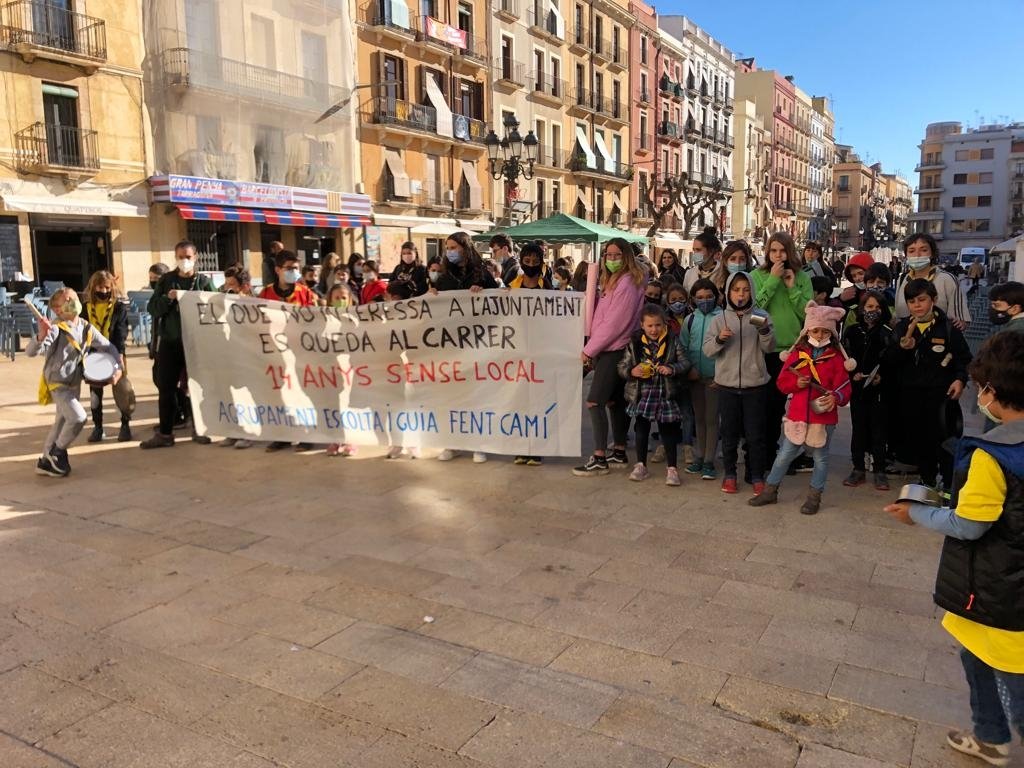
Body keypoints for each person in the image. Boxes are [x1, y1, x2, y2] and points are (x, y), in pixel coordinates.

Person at [883, 331, 1024, 768]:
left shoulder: (993, 454)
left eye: (983, 388)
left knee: (1013, 679)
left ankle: (999, 731)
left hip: (999, 588)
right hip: (1006, 587)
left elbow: (970, 524)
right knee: (975, 653)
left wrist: (917, 514)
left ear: (994, 393)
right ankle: (990, 736)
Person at [749, 301, 853, 514]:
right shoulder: (796, 355)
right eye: (815, 330)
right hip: (797, 415)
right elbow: (781, 382)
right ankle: (770, 491)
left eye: (825, 331)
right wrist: (795, 384)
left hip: (823, 418)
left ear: (832, 334)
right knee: (784, 454)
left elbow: (845, 387)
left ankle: (814, 497)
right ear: (807, 331)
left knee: (820, 458)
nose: (820, 334)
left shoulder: (836, 359)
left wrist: (836, 397)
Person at [574, 237, 647, 476]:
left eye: (617, 255)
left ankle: (599, 456)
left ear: (626, 256)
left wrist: (589, 350)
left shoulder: (625, 283)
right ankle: (618, 449)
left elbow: (613, 324)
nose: (612, 259)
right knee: (615, 402)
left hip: (613, 349)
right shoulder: (618, 281)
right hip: (617, 347)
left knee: (594, 401)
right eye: (608, 255)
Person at [890, 278, 971, 491]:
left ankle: (947, 484)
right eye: (912, 301)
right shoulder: (901, 328)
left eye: (922, 299)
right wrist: (901, 349)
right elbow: (889, 362)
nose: (917, 305)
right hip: (911, 394)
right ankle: (926, 479)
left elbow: (964, 358)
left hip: (941, 395)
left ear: (933, 300)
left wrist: (960, 379)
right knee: (919, 439)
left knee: (944, 440)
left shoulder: (948, 327)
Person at [31, 288, 121, 476]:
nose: (74, 301)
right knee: (78, 417)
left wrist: (117, 367)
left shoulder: (86, 327)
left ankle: (44, 461)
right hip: (57, 383)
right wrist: (41, 335)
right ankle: (58, 452)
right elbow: (32, 351)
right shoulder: (56, 328)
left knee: (62, 421)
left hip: (74, 382)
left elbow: (108, 346)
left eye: (74, 298)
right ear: (57, 309)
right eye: (68, 300)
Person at [703, 270, 776, 494]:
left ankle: (756, 475)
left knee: (755, 435)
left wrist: (764, 331)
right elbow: (707, 350)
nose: (741, 294)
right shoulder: (719, 319)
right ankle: (730, 474)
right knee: (729, 434)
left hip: (755, 385)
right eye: (736, 290)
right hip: (727, 386)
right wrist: (719, 339)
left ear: (752, 291)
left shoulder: (761, 315)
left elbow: (769, 347)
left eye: (745, 290)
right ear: (728, 293)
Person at [141, 241, 216, 449]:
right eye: (181, 257)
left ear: (196, 257)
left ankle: (199, 429)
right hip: (170, 342)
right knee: (166, 388)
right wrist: (167, 299)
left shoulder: (203, 282)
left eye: (188, 257)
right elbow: (152, 308)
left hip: (195, 344)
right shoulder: (166, 280)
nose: (185, 261)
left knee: (197, 388)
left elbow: (217, 308)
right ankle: (165, 433)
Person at [751, 232, 814, 474]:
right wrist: (772, 281)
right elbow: (754, 314)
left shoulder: (802, 277)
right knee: (761, 406)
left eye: (782, 251)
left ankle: (776, 453)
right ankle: (762, 454)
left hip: (790, 352)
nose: (778, 256)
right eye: (773, 251)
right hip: (764, 349)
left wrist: (790, 288)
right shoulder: (757, 276)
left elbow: (806, 315)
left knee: (779, 407)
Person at [435, 232, 496, 463]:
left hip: (477, 343)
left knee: (476, 395)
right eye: (447, 247)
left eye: (453, 247)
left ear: (465, 248)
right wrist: (431, 297)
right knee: (452, 396)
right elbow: (437, 306)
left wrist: (485, 294)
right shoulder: (444, 276)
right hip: (451, 344)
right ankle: (453, 442)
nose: (449, 251)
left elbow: (500, 302)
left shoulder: (482, 274)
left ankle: (479, 443)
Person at [618, 304, 691, 486]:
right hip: (643, 392)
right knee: (641, 429)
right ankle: (641, 465)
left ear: (664, 324)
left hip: (664, 392)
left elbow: (685, 362)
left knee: (668, 431)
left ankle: (672, 469)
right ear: (642, 325)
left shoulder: (672, 340)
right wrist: (632, 371)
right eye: (650, 325)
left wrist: (672, 368)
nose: (654, 329)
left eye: (658, 325)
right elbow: (622, 366)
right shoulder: (634, 343)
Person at [259, 251, 316, 453]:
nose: (293, 272)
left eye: (296, 268)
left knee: (302, 393)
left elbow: (313, 320)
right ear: (277, 270)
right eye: (289, 268)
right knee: (278, 394)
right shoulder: (265, 294)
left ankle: (307, 433)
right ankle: (282, 435)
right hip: (275, 354)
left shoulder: (305, 293)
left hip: (300, 353)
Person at [842, 290, 897, 490]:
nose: (873, 311)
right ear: (862, 308)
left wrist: (882, 377)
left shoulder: (888, 333)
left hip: (880, 391)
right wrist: (853, 374)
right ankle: (858, 468)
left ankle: (880, 470)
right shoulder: (852, 331)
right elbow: (845, 356)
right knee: (858, 429)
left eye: (877, 307)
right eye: (869, 307)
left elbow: (893, 362)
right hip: (858, 390)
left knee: (879, 431)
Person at [508, 242, 552, 466]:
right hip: (516, 351)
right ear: (522, 261)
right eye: (527, 261)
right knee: (519, 401)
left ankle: (536, 448)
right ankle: (520, 447)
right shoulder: (511, 287)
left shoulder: (548, 289)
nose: (531, 265)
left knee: (537, 402)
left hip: (540, 352)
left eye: (536, 261)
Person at [82, 270, 132, 443]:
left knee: (122, 391)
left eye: (106, 287)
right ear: (93, 287)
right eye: (99, 287)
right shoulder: (85, 308)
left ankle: (125, 425)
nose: (103, 291)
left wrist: (118, 355)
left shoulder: (119, 307)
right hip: (94, 355)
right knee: (95, 394)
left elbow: (121, 331)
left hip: (115, 353)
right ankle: (98, 427)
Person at [680, 278, 722, 480]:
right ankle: (700, 456)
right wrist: (689, 369)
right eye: (700, 298)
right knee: (699, 418)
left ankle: (709, 460)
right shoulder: (689, 320)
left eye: (708, 297)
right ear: (693, 299)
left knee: (712, 419)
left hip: (716, 378)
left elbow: (727, 350)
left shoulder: (722, 318)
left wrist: (720, 376)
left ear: (716, 297)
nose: (704, 301)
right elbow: (683, 348)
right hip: (695, 377)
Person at [894, 233, 971, 329]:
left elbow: (961, 321)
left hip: (937, 339)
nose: (917, 255)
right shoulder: (902, 279)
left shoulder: (947, 279)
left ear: (932, 253)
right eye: (912, 251)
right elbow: (897, 315)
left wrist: (961, 323)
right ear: (906, 255)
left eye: (924, 250)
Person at [682, 227, 722, 292]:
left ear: (711, 251)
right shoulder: (689, 274)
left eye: (698, 250)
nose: (695, 253)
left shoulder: (723, 273)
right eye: (694, 250)